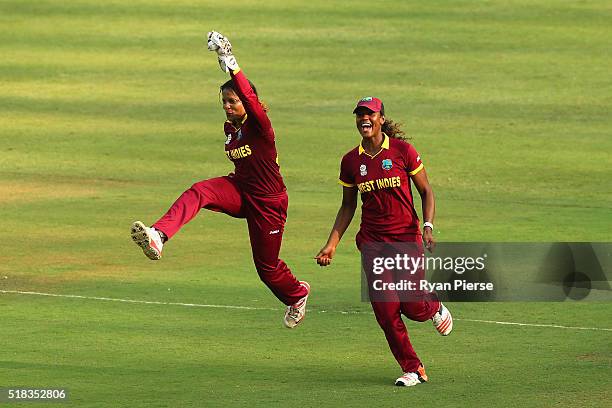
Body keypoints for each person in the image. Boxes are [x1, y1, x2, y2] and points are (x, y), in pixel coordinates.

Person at [130, 31, 309, 329]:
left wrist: (229, 60)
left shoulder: (261, 127)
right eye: (224, 101)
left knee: (266, 269)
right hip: (239, 190)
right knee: (199, 191)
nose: (227, 106)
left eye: (233, 101)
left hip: (268, 203)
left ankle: (298, 294)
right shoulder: (231, 129)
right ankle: (158, 237)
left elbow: (251, 99)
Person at [315, 97, 453, 386]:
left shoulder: (403, 151)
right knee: (386, 310)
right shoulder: (351, 161)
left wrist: (427, 226)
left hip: (405, 238)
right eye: (359, 115)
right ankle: (413, 369)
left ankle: (434, 306)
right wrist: (332, 243)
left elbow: (426, 191)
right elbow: (348, 206)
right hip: (372, 243)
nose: (364, 119)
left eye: (370, 114)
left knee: (413, 307)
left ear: (381, 118)